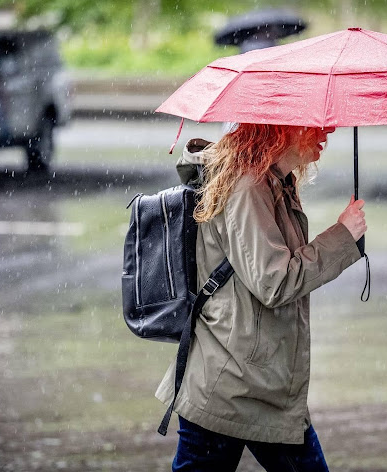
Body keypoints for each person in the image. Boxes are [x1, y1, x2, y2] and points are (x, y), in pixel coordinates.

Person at [157, 124, 367, 471]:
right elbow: (275, 282)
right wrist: (342, 236)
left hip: (255, 381)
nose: (328, 127)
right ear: (282, 128)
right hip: (234, 384)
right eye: (314, 121)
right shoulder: (248, 187)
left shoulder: (274, 182)